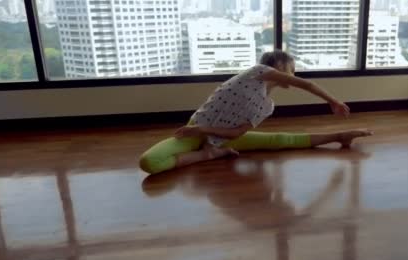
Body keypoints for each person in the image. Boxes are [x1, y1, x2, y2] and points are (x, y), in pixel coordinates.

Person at [139, 50, 372, 175]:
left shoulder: (267, 106)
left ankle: (340, 136)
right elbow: (307, 85)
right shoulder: (257, 72)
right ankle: (209, 153)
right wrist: (333, 100)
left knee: (281, 140)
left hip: (217, 135)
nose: (295, 73)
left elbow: (237, 133)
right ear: (279, 66)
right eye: (292, 68)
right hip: (193, 132)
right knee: (150, 162)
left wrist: (206, 131)